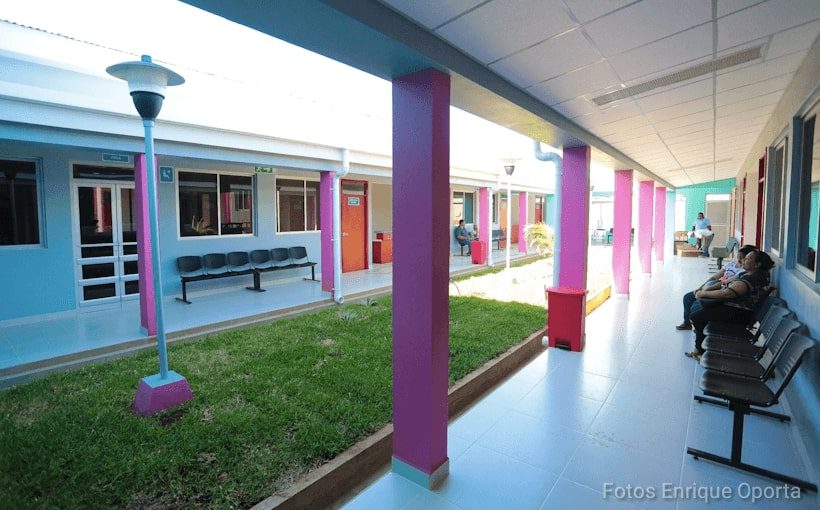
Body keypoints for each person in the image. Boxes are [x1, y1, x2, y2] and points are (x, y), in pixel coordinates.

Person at [685, 250, 774, 360]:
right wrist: (707, 288)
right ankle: (701, 348)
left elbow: (728, 293)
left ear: (757, 264)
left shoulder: (754, 278)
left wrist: (703, 293)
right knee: (700, 311)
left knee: (696, 316)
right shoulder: (746, 273)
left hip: (740, 313)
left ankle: (700, 350)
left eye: (748, 259)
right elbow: (724, 282)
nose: (743, 260)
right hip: (734, 308)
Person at [676, 244, 756, 330]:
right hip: (714, 285)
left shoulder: (745, 271)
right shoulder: (732, 264)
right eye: (738, 258)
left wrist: (704, 292)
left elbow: (726, 289)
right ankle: (687, 323)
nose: (739, 261)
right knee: (688, 297)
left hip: (720, 291)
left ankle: (700, 327)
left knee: (698, 308)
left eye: (743, 259)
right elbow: (715, 277)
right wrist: (701, 287)